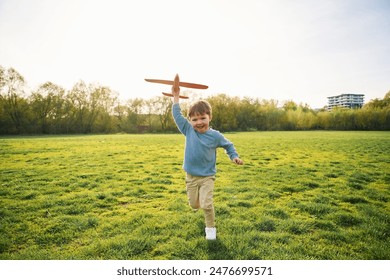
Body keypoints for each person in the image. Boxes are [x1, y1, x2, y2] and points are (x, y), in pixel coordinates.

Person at [171, 83, 244, 240]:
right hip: (190, 177)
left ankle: (210, 229)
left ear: (210, 117)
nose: (199, 122)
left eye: (203, 118)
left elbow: (228, 145)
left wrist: (234, 156)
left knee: (206, 204)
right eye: (195, 119)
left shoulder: (215, 136)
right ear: (189, 120)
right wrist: (176, 97)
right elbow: (177, 115)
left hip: (207, 177)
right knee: (194, 205)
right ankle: (198, 208)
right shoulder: (188, 130)